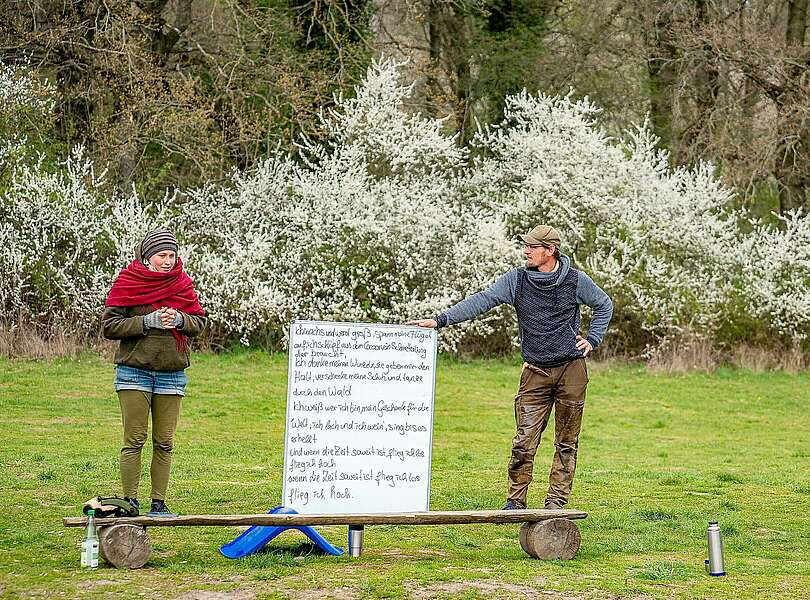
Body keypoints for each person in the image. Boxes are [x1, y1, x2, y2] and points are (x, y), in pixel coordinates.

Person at [410, 225, 612, 510]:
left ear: (549, 250)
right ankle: (515, 502)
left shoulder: (577, 281)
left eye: (532, 246)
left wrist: (592, 339)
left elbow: (604, 304)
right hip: (535, 372)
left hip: (572, 371)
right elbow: (482, 300)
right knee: (524, 442)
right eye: (525, 246)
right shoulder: (516, 280)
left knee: (566, 442)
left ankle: (555, 504)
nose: (526, 251)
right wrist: (440, 320)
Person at [102, 229, 207, 516]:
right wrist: (145, 321)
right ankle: (129, 503)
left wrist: (182, 319)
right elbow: (110, 326)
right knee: (134, 440)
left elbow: (200, 324)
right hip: (133, 372)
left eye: (172, 255)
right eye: (162, 255)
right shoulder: (128, 283)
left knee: (165, 442)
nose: (168, 261)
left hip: (172, 374)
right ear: (147, 257)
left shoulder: (183, 284)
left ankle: (158, 504)